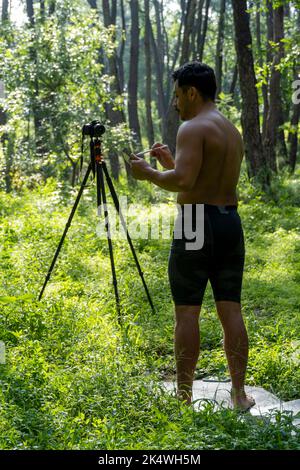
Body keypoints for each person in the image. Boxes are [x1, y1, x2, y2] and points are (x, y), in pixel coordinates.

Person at [130, 61, 255, 412]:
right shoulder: (230, 130)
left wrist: (149, 173)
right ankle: (239, 395)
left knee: (186, 314)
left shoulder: (192, 126)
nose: (175, 103)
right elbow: (201, 178)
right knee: (231, 310)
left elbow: (184, 183)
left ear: (191, 92)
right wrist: (171, 163)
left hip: (195, 224)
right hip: (229, 223)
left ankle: (183, 399)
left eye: (176, 95)